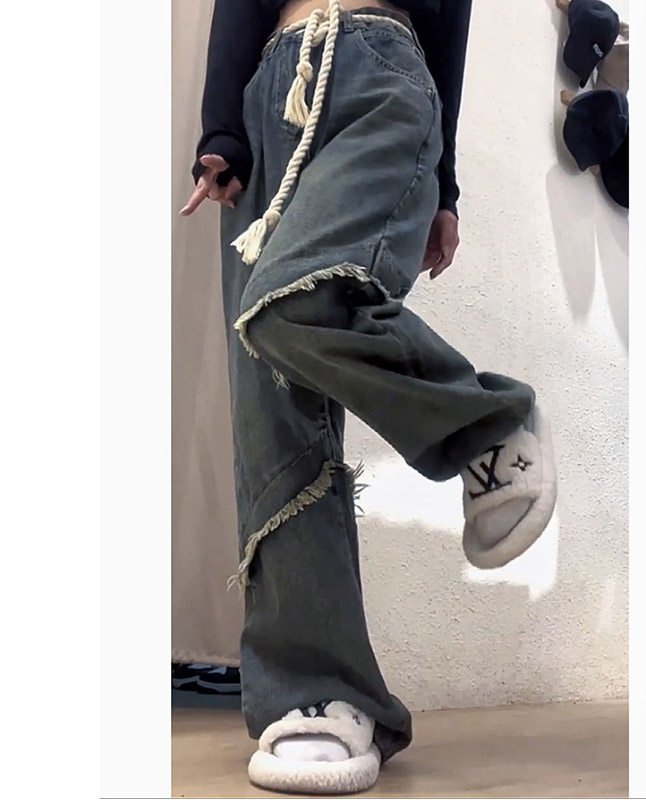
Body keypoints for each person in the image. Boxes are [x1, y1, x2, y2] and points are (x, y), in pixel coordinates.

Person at [180, 0, 557, 793]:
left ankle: (487, 425)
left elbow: (450, 12)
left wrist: (443, 185)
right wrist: (222, 130)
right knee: (267, 401)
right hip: (269, 97)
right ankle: (317, 693)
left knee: (290, 305)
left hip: (378, 72)